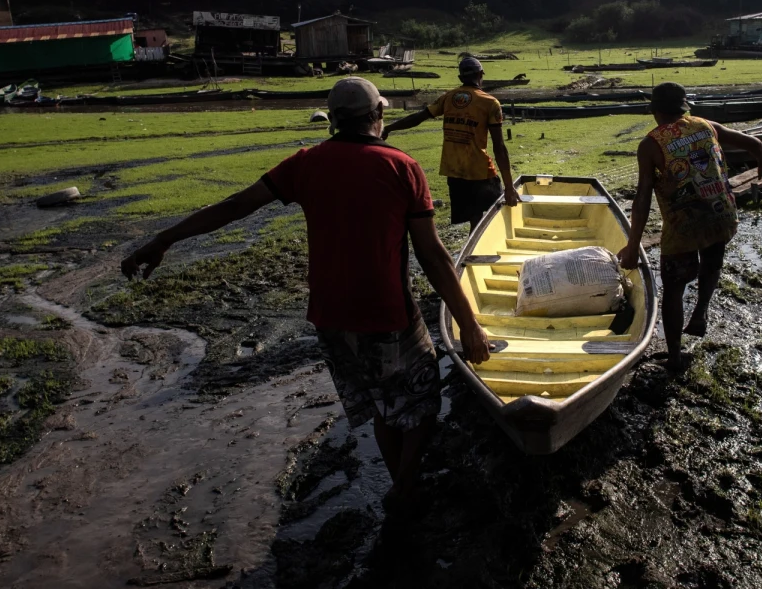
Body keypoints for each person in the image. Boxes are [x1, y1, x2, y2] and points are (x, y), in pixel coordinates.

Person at [120, 77, 491, 509]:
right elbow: (432, 255)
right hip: (386, 314)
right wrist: (469, 325)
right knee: (421, 403)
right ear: (378, 115)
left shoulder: (306, 163)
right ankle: (404, 489)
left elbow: (236, 206)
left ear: (333, 120)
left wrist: (164, 239)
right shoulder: (400, 166)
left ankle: (400, 485)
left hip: (329, 317)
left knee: (381, 405)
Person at [617, 82, 762, 372]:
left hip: (685, 224)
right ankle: (701, 312)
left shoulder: (651, 145)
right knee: (712, 263)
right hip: (721, 214)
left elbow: (642, 199)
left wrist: (632, 246)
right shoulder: (706, 125)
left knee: (673, 288)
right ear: (684, 108)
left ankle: (675, 358)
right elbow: (754, 143)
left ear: (654, 110)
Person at [382, 56, 520, 226]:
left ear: (460, 78)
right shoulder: (490, 103)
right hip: (480, 172)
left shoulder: (448, 98)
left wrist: (389, 128)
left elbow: (418, 117)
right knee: (494, 218)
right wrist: (509, 187)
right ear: (481, 75)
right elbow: (499, 147)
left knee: (475, 220)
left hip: (454, 170)